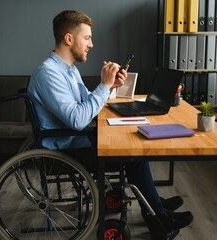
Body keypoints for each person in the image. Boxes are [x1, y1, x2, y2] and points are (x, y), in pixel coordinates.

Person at [28, 10, 193, 238]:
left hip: (79, 138)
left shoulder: (68, 70)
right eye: (87, 38)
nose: (91, 44)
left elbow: (87, 103)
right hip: (66, 148)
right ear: (68, 38)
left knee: (133, 145)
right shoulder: (48, 74)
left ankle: (155, 205)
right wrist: (104, 87)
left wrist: (110, 86)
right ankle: (157, 216)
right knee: (133, 152)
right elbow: (78, 119)